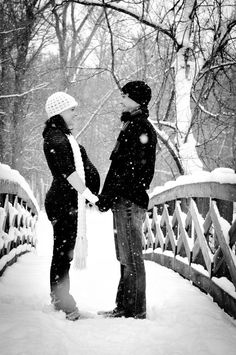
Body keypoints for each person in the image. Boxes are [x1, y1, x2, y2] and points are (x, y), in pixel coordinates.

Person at [96, 80, 157, 319]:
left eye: (125, 96)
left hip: (129, 200)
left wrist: (108, 195)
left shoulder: (139, 127)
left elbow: (127, 170)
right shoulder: (132, 125)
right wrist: (107, 196)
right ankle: (124, 306)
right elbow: (120, 167)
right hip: (123, 200)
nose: (121, 99)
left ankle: (135, 310)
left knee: (131, 256)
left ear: (136, 99)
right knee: (125, 255)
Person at [43, 92, 100, 321]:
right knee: (62, 253)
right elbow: (69, 172)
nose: (75, 113)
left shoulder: (63, 137)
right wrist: (89, 195)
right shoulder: (56, 138)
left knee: (63, 252)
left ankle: (60, 298)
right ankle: (62, 300)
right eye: (71, 110)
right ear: (59, 112)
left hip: (69, 203)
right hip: (62, 203)